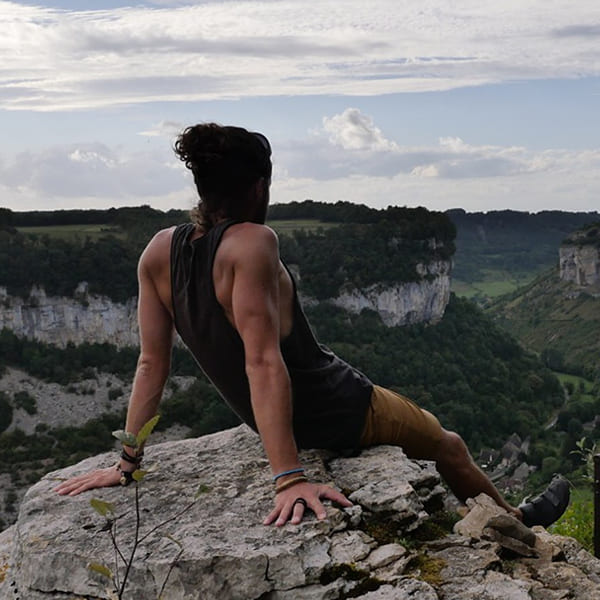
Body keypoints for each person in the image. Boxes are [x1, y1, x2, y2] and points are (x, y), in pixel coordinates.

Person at [55, 123, 569, 529]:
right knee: (449, 444)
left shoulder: (159, 250)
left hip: (276, 420)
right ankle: (514, 522)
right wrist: (288, 478)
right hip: (336, 405)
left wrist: (126, 463)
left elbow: (151, 363)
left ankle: (508, 519)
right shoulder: (254, 242)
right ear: (260, 186)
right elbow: (263, 359)